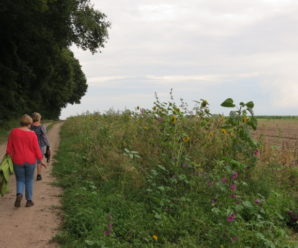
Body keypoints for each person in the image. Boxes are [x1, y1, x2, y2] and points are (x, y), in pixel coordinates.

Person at [6, 114, 45, 207]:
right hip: (30, 160)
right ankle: (29, 201)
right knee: (29, 180)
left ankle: (19, 193)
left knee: (20, 179)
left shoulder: (13, 132)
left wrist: (9, 157)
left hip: (17, 160)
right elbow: (36, 149)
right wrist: (41, 159)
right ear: (30, 123)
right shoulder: (32, 134)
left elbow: (9, 149)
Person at [30, 112, 50, 181]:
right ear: (39, 118)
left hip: (31, 145)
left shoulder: (30, 126)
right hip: (41, 145)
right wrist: (48, 145)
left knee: (31, 160)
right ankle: (39, 175)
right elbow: (45, 137)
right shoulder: (42, 126)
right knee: (39, 160)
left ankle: (30, 174)